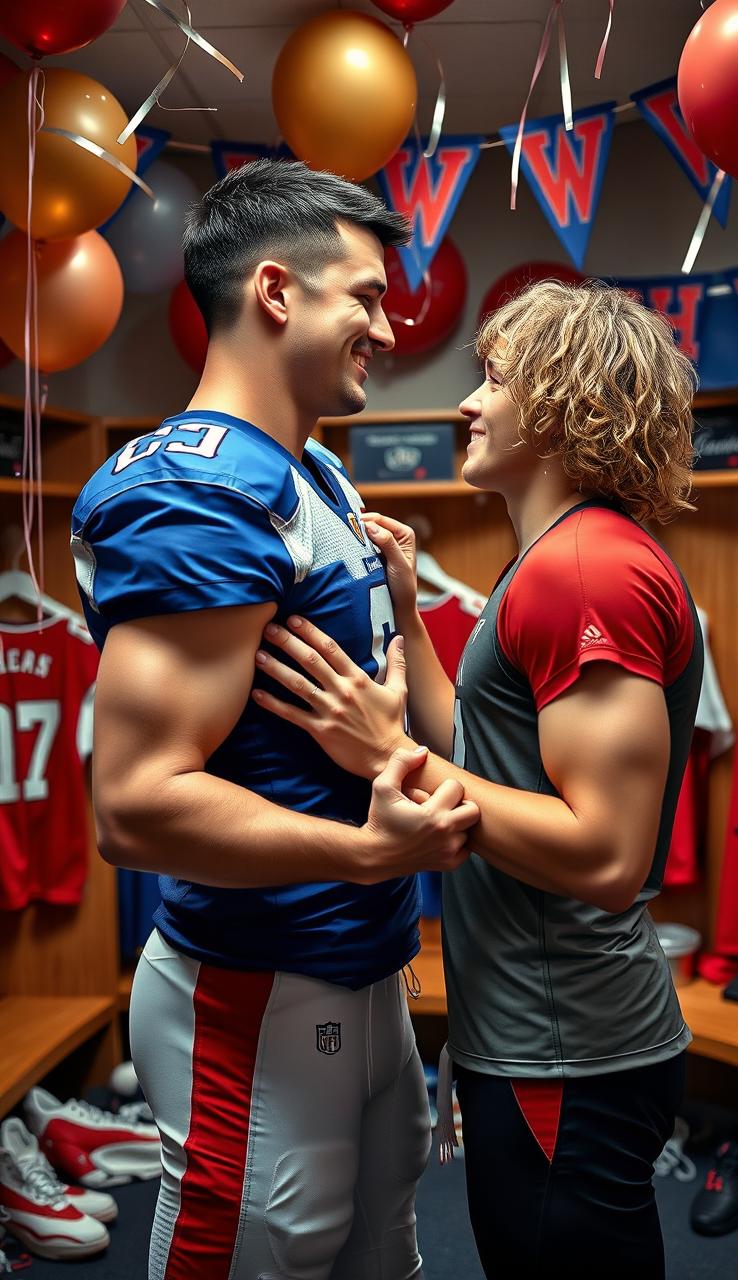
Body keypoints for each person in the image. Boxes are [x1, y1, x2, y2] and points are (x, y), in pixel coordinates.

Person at [69, 159, 479, 1280]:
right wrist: (362, 848)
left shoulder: (318, 479)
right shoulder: (193, 492)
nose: (388, 331)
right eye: (367, 295)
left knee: (382, 1253)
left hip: (366, 955)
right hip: (259, 980)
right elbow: (136, 805)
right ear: (276, 292)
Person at [251, 280, 705, 1280]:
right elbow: (493, 764)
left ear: (557, 403)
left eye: (491, 378)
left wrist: (387, 759)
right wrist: (412, 622)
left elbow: (603, 851)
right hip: (549, 1036)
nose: (466, 401)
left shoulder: (584, 568)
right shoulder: (557, 558)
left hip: (571, 1049)